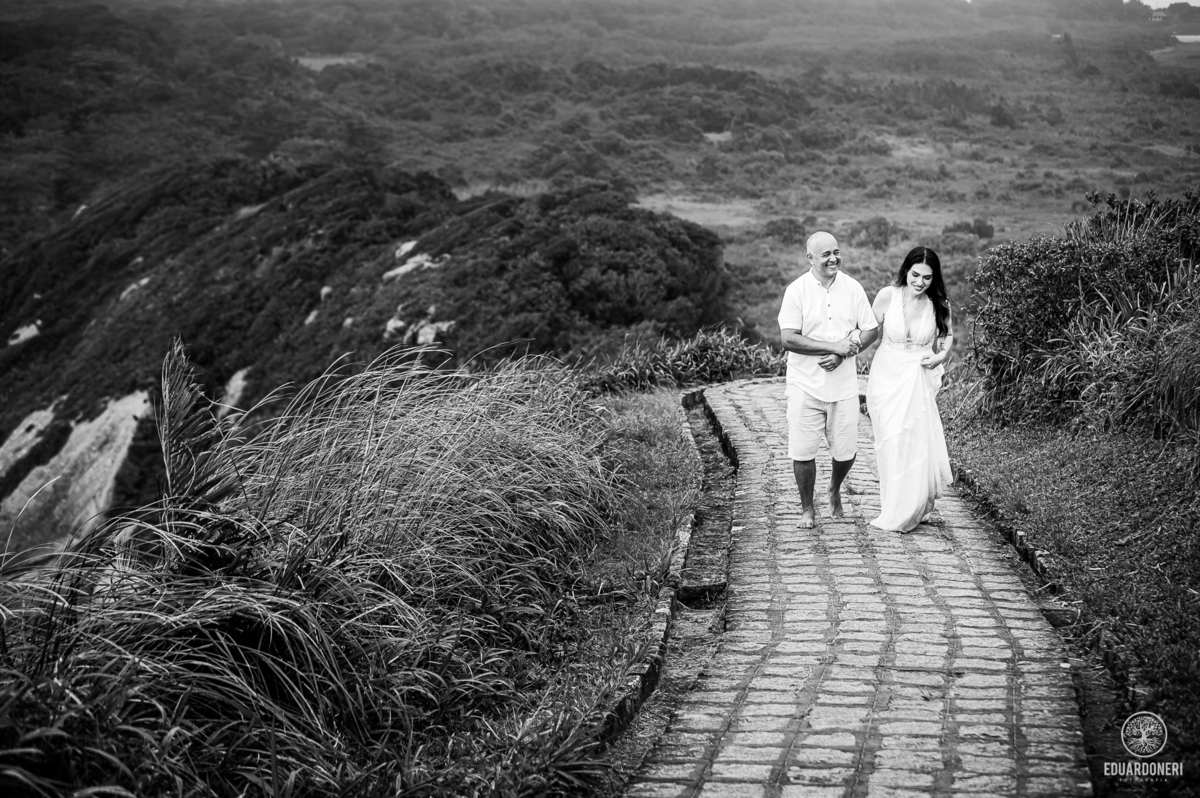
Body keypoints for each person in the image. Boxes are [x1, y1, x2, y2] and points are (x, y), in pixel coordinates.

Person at [778, 231, 880, 529]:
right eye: (826, 254)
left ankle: (834, 489)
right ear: (810, 258)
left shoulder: (853, 288)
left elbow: (871, 329)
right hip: (804, 383)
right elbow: (788, 339)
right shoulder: (796, 291)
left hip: (844, 385)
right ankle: (807, 509)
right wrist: (832, 346)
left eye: (836, 252)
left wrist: (844, 353)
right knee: (803, 450)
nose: (834, 258)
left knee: (846, 451)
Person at [865, 245, 954, 533]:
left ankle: (912, 505)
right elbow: (867, 330)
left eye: (927, 278)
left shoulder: (938, 304)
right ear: (906, 270)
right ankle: (894, 504)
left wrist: (940, 355)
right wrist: (844, 348)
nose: (920, 282)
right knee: (891, 440)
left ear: (934, 279)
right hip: (885, 376)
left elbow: (947, 335)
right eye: (915, 275)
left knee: (914, 438)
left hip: (917, 375)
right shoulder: (887, 296)